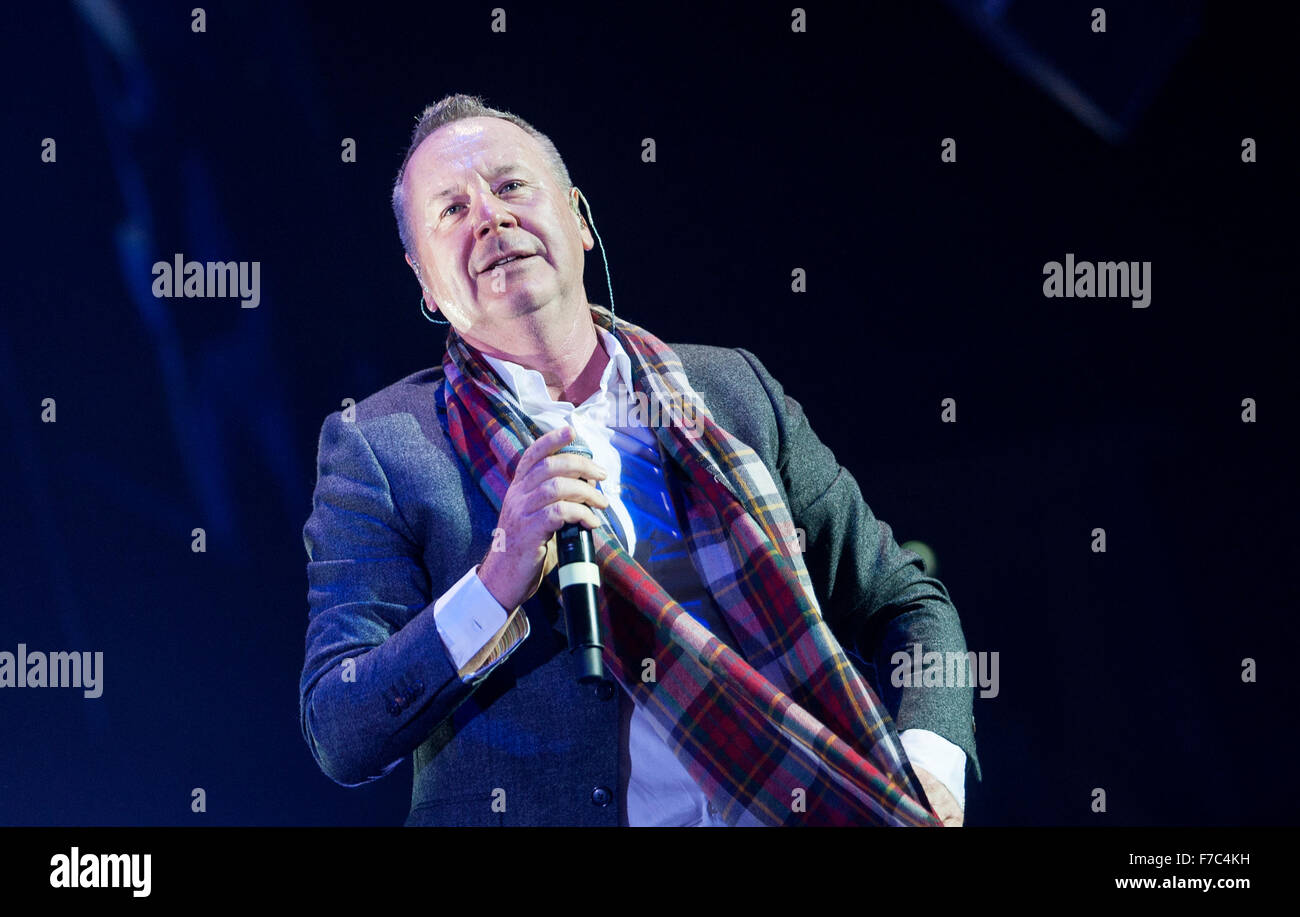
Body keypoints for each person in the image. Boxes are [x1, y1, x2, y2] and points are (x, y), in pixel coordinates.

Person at [298, 93, 980, 826]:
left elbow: (904, 602)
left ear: (580, 219)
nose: (490, 217)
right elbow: (340, 726)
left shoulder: (731, 390)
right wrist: (498, 578)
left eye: (510, 186)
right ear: (424, 281)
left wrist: (930, 763)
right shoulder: (382, 444)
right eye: (451, 211)